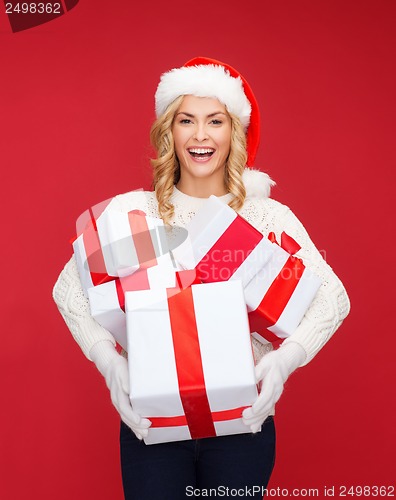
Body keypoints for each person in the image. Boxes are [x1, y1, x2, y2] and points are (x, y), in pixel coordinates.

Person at [53, 56, 350, 499]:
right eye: (186, 120)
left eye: (215, 121)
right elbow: (68, 289)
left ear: (235, 133)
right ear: (169, 131)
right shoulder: (133, 212)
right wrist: (110, 364)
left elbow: (334, 298)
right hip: (151, 425)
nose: (200, 135)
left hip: (241, 425)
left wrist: (284, 362)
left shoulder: (266, 216)